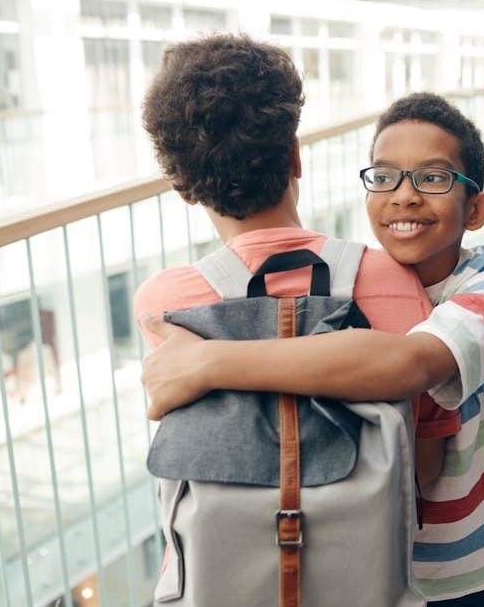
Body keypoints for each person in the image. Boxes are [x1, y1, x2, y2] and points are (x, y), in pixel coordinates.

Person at [140, 92, 484, 605]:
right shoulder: (365, 279)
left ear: (477, 209)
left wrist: (206, 362)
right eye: (385, 177)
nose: (405, 195)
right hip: (383, 564)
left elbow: (412, 363)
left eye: (433, 178)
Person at [133, 33, 456, 603]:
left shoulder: (165, 304)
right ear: (295, 157)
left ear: (183, 189)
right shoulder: (394, 281)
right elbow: (425, 464)